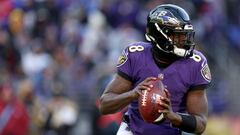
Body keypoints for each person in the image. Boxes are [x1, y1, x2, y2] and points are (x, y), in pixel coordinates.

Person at [99, 4, 212, 135]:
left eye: (185, 35)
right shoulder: (136, 55)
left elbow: (201, 124)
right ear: (160, 35)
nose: (184, 40)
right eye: (178, 35)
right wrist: (132, 94)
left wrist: (174, 117)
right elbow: (104, 106)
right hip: (133, 130)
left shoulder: (195, 63)